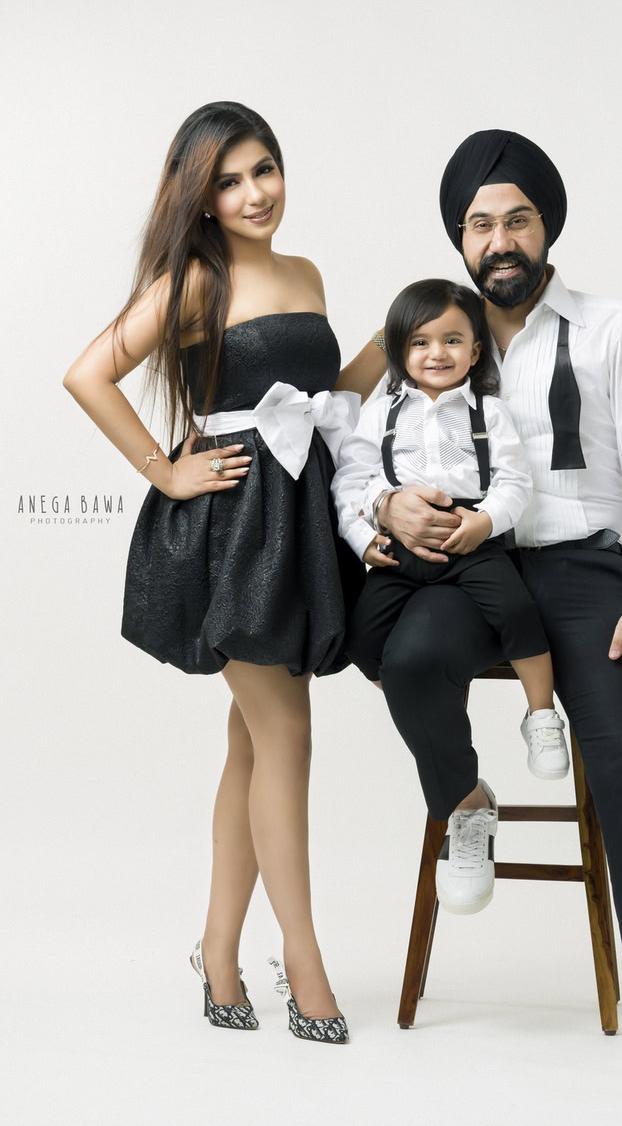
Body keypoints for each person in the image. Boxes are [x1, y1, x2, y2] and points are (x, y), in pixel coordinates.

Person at [350, 129, 622, 1077]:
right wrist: (383, 505)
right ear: (458, 240)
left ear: (546, 228)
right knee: (407, 657)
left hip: (586, 569)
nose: (499, 240)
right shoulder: (430, 337)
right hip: (471, 565)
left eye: (517, 220)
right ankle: (466, 800)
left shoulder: (612, 326)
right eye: (479, 225)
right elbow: (352, 423)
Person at [62, 101, 380, 1045]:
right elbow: (87, 373)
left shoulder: (306, 272)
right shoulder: (191, 280)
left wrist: (406, 333)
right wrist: (165, 468)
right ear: (200, 198)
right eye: (231, 180)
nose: (254, 193)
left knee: (252, 745)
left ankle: (220, 950)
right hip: (232, 532)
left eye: (265, 170)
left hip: (298, 516)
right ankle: (307, 963)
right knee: (288, 739)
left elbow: (324, 400)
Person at [332, 278, 570, 910]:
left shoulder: (487, 411)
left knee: (516, 608)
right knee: (356, 638)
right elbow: (352, 480)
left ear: (475, 349)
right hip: (401, 546)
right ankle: (465, 799)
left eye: (453, 340)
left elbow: (514, 479)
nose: (437, 353)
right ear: (395, 349)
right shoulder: (379, 411)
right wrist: (365, 534)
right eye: (420, 341)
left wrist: (484, 523)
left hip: (474, 538)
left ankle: (541, 714)